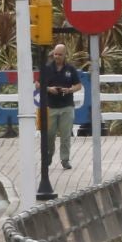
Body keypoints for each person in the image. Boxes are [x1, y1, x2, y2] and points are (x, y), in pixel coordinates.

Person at [39, 42, 81, 173]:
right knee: (49, 134)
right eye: (55, 54)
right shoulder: (47, 68)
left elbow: (78, 85)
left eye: (60, 54)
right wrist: (49, 89)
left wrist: (69, 90)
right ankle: (49, 155)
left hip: (66, 106)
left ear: (64, 55)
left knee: (65, 135)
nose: (57, 56)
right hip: (50, 106)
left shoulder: (70, 69)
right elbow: (38, 84)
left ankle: (65, 159)